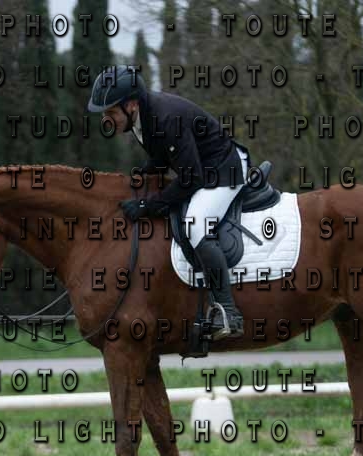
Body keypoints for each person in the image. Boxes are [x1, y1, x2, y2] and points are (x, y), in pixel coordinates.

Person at [87, 65, 247, 340]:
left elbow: (190, 178)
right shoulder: (141, 118)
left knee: (196, 226)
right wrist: (142, 174)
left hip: (224, 171)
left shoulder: (166, 118)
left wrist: (148, 206)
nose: (107, 119)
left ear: (131, 105)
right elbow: (162, 157)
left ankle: (228, 312)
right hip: (202, 167)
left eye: (110, 112)